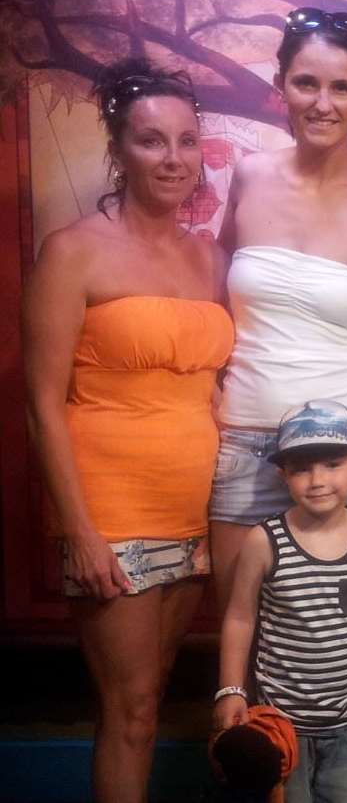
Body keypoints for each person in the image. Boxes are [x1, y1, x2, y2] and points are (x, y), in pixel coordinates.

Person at [22, 57, 234, 801]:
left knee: (160, 696)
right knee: (131, 710)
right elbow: (42, 402)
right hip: (112, 511)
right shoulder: (73, 250)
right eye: (151, 141)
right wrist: (77, 530)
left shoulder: (209, 257)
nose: (172, 159)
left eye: (185, 141)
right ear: (117, 150)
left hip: (200, 510)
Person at [209, 7, 347, 611]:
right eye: (306, 83)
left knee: (336, 639)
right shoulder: (248, 178)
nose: (322, 102)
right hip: (246, 441)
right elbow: (218, 299)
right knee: (241, 631)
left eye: (341, 87)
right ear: (282, 87)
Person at [212, 400, 347, 803]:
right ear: (283, 474)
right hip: (282, 723)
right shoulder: (265, 541)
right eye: (301, 468)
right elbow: (240, 618)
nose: (317, 480)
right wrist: (231, 690)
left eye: (332, 464)